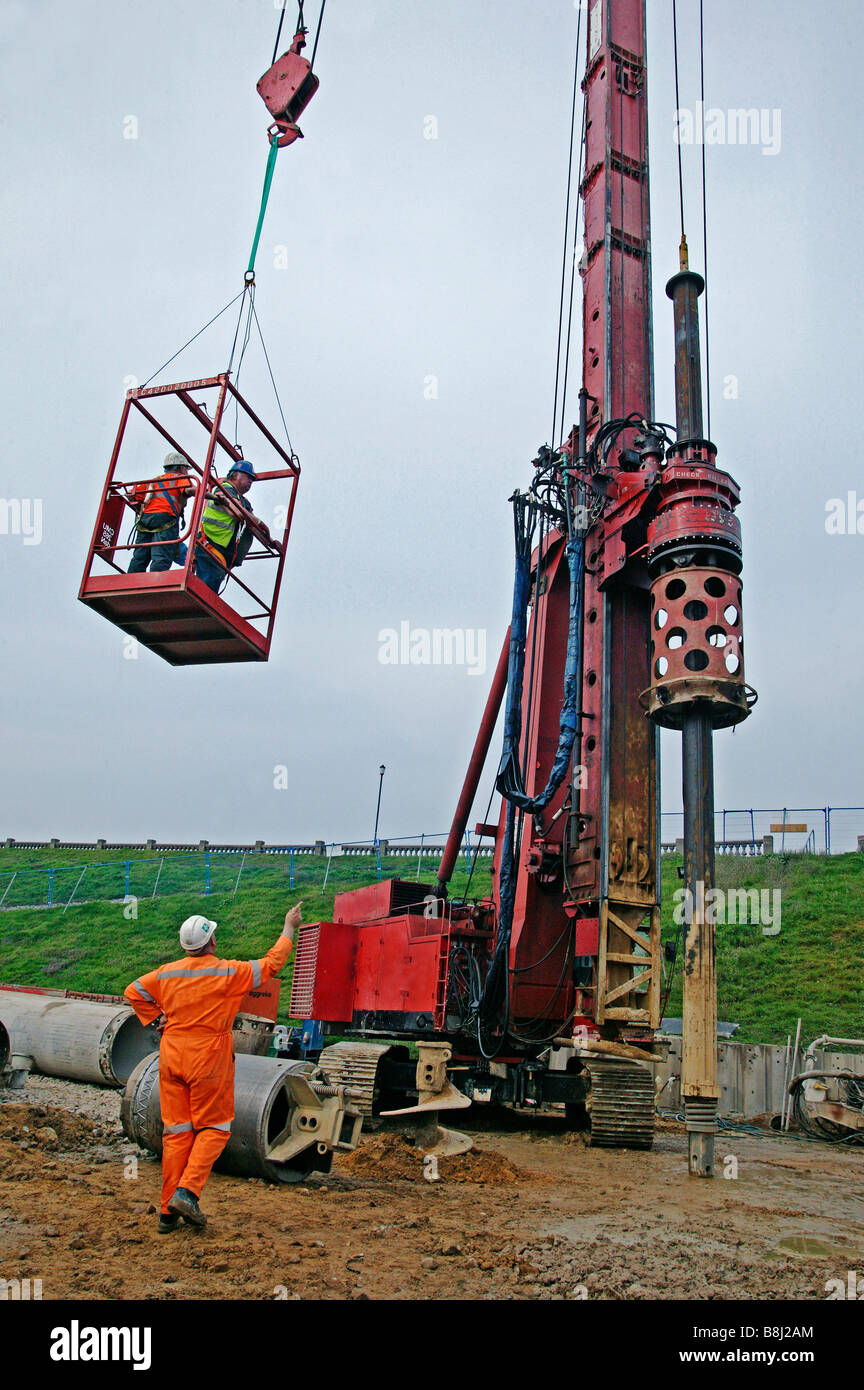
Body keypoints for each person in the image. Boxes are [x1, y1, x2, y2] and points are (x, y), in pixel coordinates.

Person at [124, 901, 302, 1232]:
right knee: (215, 1128)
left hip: (172, 1055)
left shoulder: (167, 973)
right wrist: (288, 926)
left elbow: (133, 991)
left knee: (176, 1133)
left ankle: (166, 1213)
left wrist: (158, 1017)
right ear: (213, 942)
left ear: (185, 946)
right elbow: (272, 964)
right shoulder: (228, 972)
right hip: (208, 1057)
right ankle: (187, 1192)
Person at [193, 460, 270, 594]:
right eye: (248, 477)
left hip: (222, 551)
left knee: (211, 586)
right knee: (205, 590)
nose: (250, 482)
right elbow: (236, 512)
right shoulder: (224, 489)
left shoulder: (243, 501)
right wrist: (258, 522)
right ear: (235, 475)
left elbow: (250, 519)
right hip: (211, 544)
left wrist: (270, 541)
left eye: (252, 480)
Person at [127, 453, 195, 574]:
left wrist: (140, 508)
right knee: (161, 556)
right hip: (166, 519)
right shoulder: (179, 478)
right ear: (181, 467)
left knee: (140, 556)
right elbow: (189, 490)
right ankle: (154, 584)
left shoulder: (154, 481)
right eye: (186, 469)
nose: (187, 472)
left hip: (145, 521)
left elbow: (131, 495)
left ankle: (129, 582)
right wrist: (207, 493)